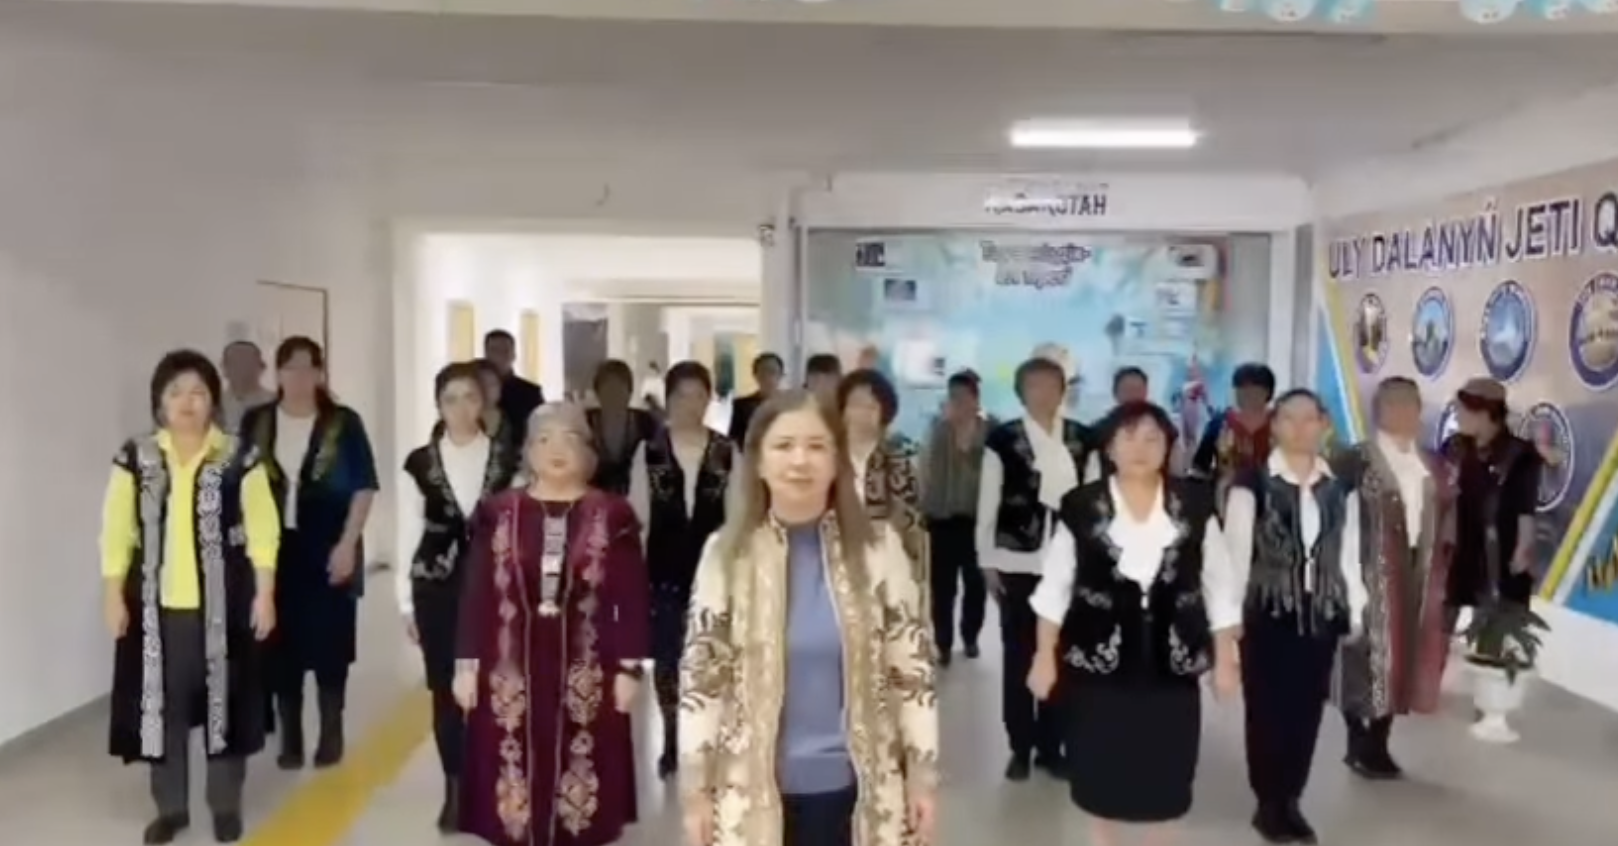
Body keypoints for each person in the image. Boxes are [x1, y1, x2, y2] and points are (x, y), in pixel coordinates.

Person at [678, 390, 938, 846]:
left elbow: (911, 671)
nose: (800, 460)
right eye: (783, 446)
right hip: (750, 797)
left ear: (837, 461)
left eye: (817, 446)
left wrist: (922, 776)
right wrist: (696, 790)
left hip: (859, 791)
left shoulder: (878, 550)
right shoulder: (727, 555)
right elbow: (703, 677)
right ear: (758, 462)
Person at [1028, 401, 1242, 846]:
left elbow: (1219, 585)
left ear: (1168, 446)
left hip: (1173, 662)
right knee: (1100, 763)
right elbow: (1054, 588)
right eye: (1127, 437)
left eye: (1152, 438)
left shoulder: (1195, 504)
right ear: (1109, 447)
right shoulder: (1081, 506)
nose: (1140, 448)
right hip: (1097, 662)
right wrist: (1043, 656)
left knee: (1168, 767)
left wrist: (1226, 659)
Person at [102, 350, 279, 844]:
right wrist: (112, 594)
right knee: (162, 712)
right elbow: (116, 531)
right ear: (159, 402)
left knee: (226, 707)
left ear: (213, 401)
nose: (187, 401)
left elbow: (263, 529)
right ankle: (171, 809)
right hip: (156, 612)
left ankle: (224, 805)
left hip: (226, 607)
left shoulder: (239, 456)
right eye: (176, 392)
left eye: (198, 392)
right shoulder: (137, 458)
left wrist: (265, 594)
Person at [453, 403, 648, 846]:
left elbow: (631, 597)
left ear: (589, 450)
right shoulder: (497, 512)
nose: (556, 448)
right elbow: (476, 593)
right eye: (544, 439)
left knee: (583, 780)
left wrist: (631, 667)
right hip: (509, 666)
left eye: (569, 437)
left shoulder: (613, 514)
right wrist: (465, 665)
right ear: (527, 451)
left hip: (588, 669)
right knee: (511, 776)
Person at [1224, 389, 1364, 845]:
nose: (1300, 428)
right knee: (1267, 713)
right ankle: (1268, 802)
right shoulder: (1252, 484)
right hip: (1267, 614)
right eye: (1289, 418)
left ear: (1324, 424)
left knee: (1306, 713)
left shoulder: (1341, 488)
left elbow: (1349, 556)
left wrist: (1356, 610)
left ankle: (1291, 799)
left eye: (1309, 418)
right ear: (1275, 425)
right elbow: (1235, 557)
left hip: (1322, 614)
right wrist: (1228, 622)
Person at [240, 336, 379, 771]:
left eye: (308, 368)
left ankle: (331, 732)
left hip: (330, 543)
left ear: (320, 373)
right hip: (276, 549)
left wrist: (348, 543)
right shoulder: (258, 422)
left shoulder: (343, 422)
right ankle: (291, 739)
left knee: (330, 641)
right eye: (290, 368)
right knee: (281, 644)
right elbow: (239, 482)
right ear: (277, 373)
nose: (299, 377)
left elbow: (364, 486)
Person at [397, 362, 517, 832]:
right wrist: (405, 603)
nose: (461, 408)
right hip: (437, 587)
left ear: (483, 402)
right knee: (446, 690)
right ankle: (455, 788)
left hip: (498, 588)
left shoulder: (508, 459)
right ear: (438, 406)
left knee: (495, 685)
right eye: (450, 399)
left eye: (470, 397)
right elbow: (408, 533)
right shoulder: (419, 464)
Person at [977, 356, 1096, 780]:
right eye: (1034, 385)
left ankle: (1051, 745)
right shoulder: (1003, 440)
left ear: (1062, 391)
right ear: (1021, 392)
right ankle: (1020, 745)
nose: (1043, 393)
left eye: (1051, 385)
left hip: (1068, 563)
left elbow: (1093, 502)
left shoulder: (1082, 438)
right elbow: (988, 500)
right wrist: (986, 560)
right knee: (1018, 655)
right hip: (1016, 559)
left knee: (1061, 657)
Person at [1332, 377, 1457, 781]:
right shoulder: (1352, 462)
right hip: (1366, 572)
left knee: (1403, 662)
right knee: (1362, 661)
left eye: (1409, 404)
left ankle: (1378, 742)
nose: (1402, 412)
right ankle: (1357, 740)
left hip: (1418, 577)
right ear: (1377, 410)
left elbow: (1449, 521)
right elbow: (1335, 522)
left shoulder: (1434, 465)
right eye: (1392, 404)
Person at [626, 361, 733, 778]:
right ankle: (672, 736)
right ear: (668, 399)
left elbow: (738, 516)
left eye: (699, 395)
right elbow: (638, 516)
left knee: (710, 658)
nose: (691, 404)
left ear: (709, 399)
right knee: (668, 659)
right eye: (682, 396)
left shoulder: (726, 451)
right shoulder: (649, 452)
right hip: (664, 570)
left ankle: (706, 738)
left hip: (714, 572)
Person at [1443, 377, 1542, 612]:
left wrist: (1524, 548)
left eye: (1462, 410)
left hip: (1498, 560)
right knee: (1440, 627)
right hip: (1458, 556)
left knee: (1495, 629)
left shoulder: (1520, 456)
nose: (1457, 416)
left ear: (1485, 412)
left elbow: (1526, 511)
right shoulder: (1454, 447)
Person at [839, 368, 927, 604]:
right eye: (855, 405)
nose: (862, 414)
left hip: (887, 566)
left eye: (871, 407)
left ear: (885, 413)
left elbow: (910, 524)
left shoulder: (898, 459)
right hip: (835, 565)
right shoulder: (827, 459)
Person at [920, 370, 989, 664]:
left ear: (976, 399)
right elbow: (927, 471)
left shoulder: (990, 431)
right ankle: (943, 642)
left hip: (979, 521)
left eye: (963, 397)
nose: (958, 403)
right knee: (942, 586)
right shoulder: (939, 431)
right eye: (953, 397)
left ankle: (970, 636)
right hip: (942, 519)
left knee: (976, 584)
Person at [1191, 363, 1276, 507]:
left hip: (1274, 502)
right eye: (1241, 389)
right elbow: (1200, 468)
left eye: (1253, 390)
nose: (1247, 395)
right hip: (1225, 502)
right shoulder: (1219, 424)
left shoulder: (1281, 423)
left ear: (1267, 393)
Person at [585, 359, 658, 495]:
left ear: (630, 391)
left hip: (637, 497)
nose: (614, 393)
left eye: (620, 387)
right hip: (592, 499)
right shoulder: (585, 421)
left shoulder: (645, 422)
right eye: (608, 387)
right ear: (597, 392)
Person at [484, 329, 546, 443]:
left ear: (513, 355)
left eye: (505, 351)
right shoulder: (475, 389)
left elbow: (541, 430)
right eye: (494, 350)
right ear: (486, 354)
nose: (499, 356)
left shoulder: (530, 393)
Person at [726, 352, 784, 446]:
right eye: (763, 372)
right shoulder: (741, 406)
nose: (768, 377)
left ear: (781, 375)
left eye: (772, 372)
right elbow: (734, 440)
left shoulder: (791, 405)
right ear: (755, 375)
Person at [219, 340, 275, 433]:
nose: (241, 368)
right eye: (234, 363)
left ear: (262, 367)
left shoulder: (277, 403)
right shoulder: (212, 404)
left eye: (247, 362)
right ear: (224, 368)